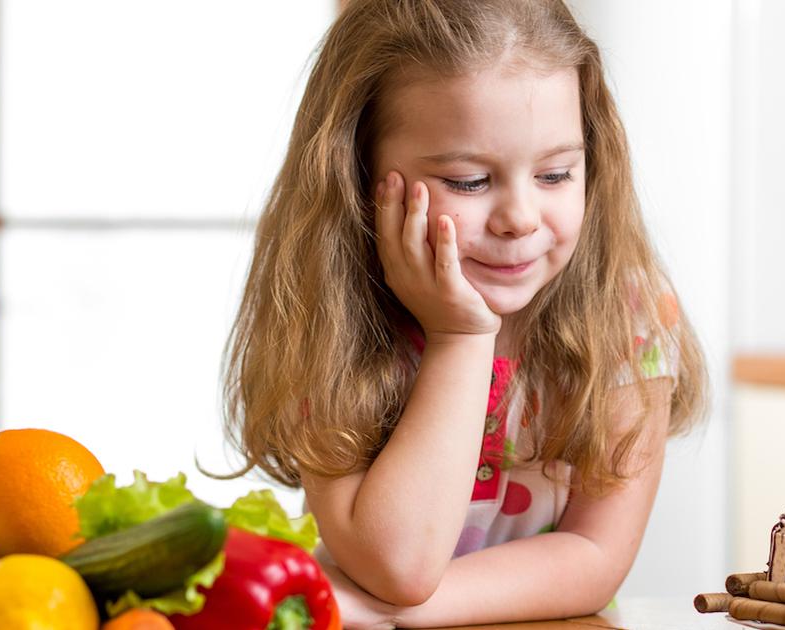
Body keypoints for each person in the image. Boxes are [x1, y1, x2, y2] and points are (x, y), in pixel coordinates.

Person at [220, 0, 707, 627]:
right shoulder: (329, 318)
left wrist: (394, 609)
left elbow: (594, 557)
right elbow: (398, 564)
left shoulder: (628, 311)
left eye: (556, 174)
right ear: (358, 174)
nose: (521, 218)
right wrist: (460, 337)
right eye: (470, 181)